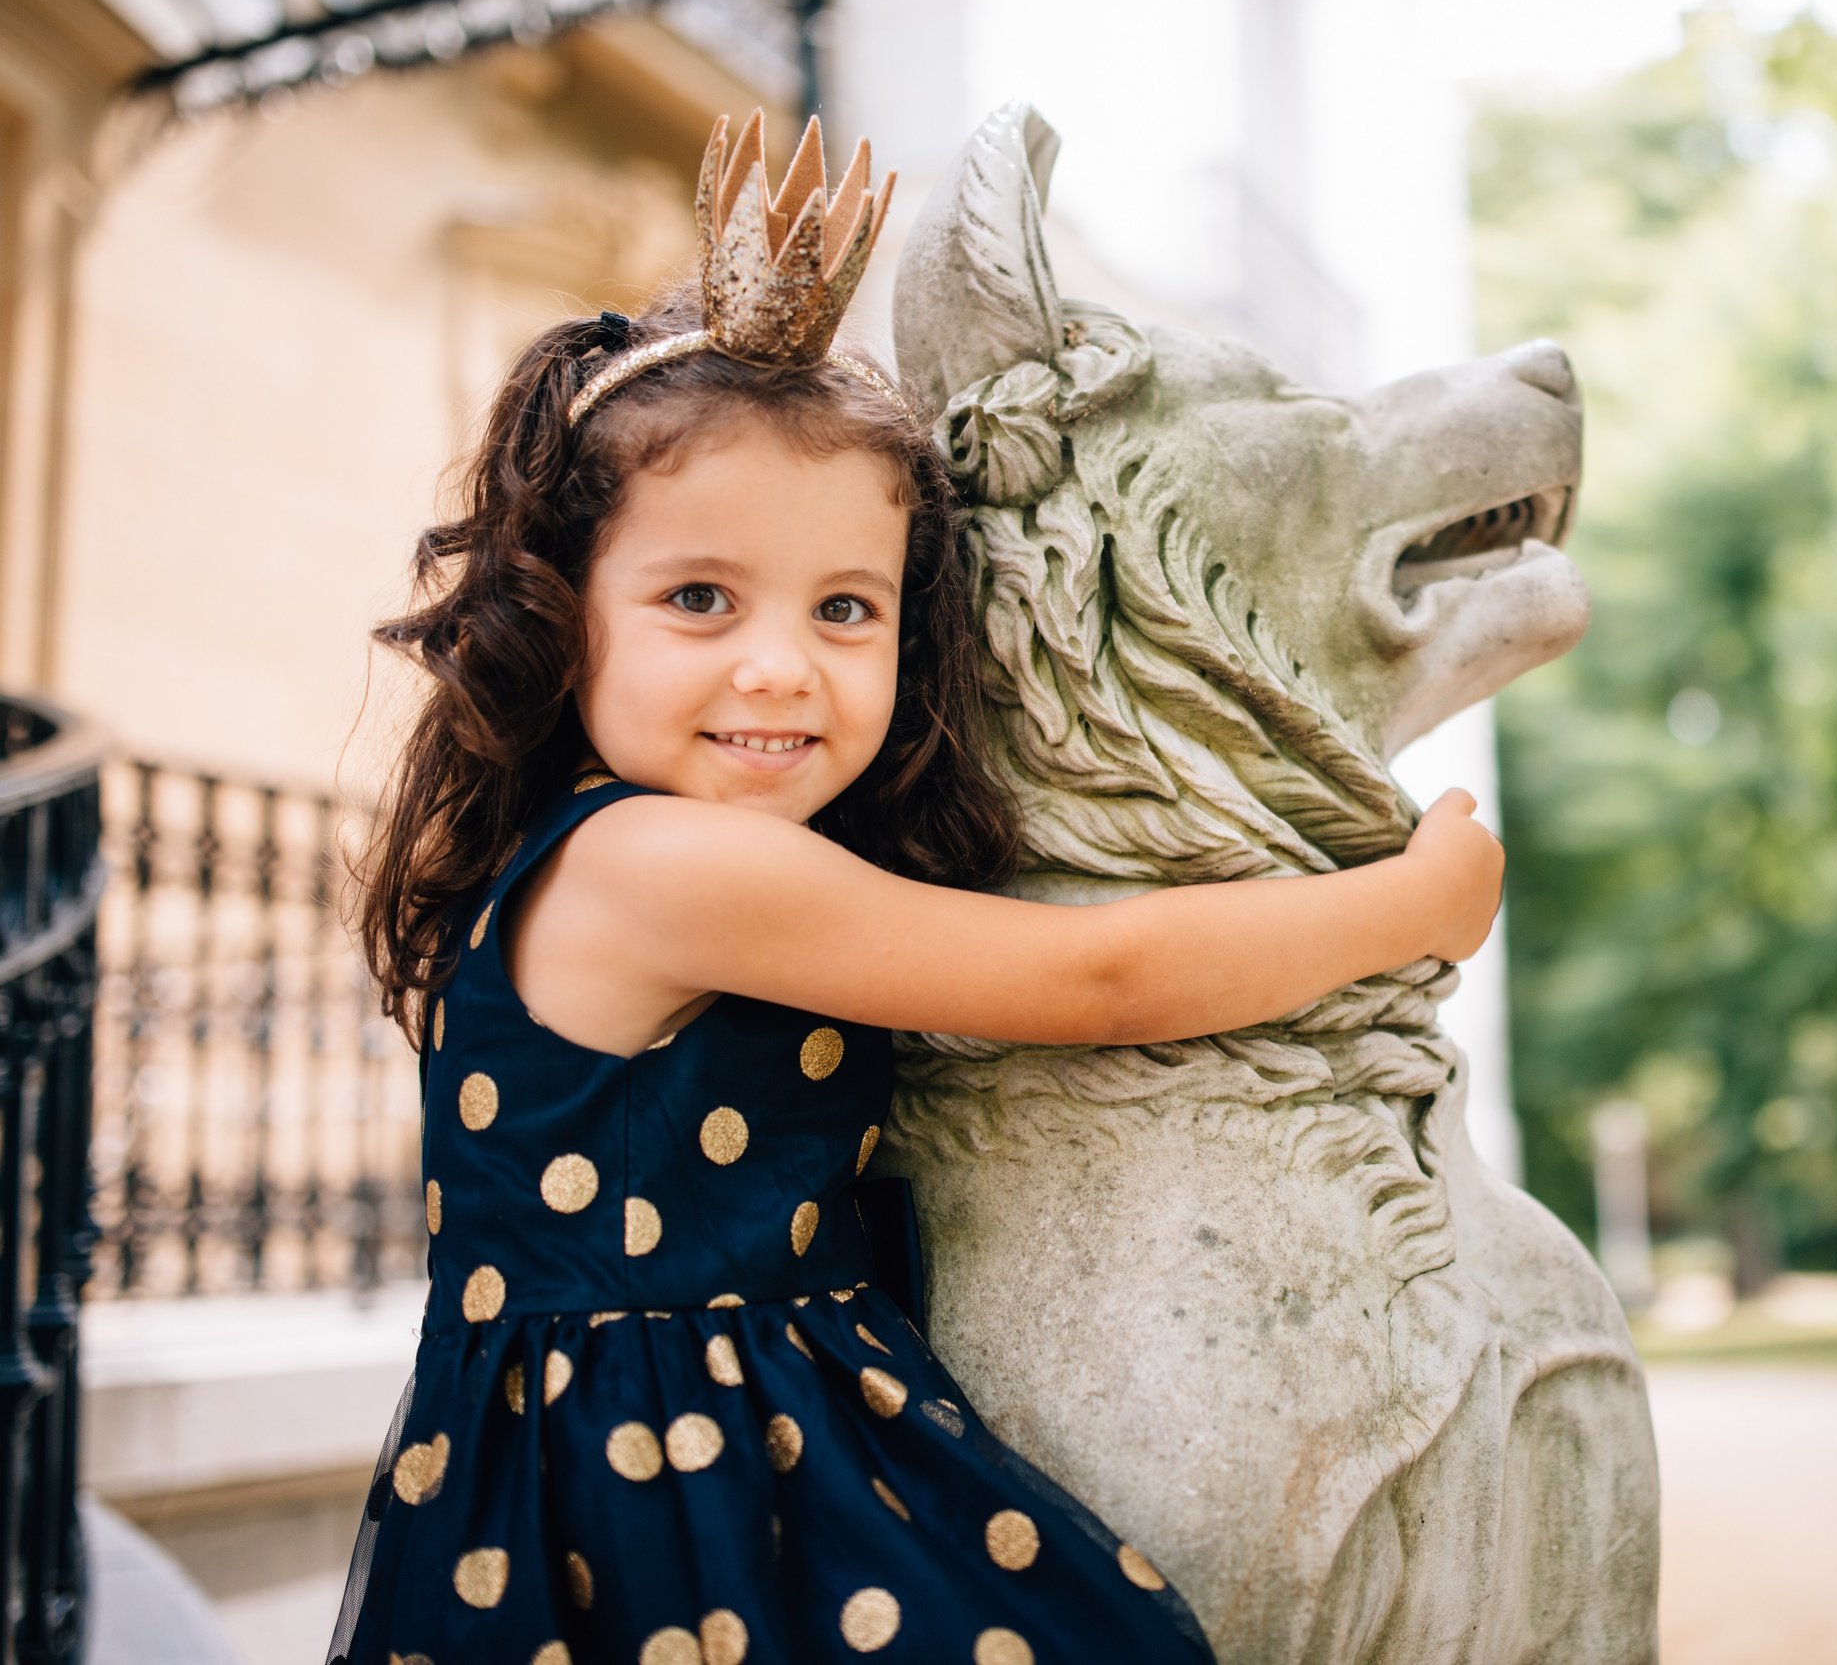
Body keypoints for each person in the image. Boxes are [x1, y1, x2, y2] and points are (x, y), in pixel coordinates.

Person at [328, 113, 1502, 1665]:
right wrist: (1408, 908)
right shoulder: (666, 863)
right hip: (684, 1483)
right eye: (698, 596)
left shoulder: (640, 852)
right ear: (565, 612)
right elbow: (1101, 981)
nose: (779, 665)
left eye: (845, 606)